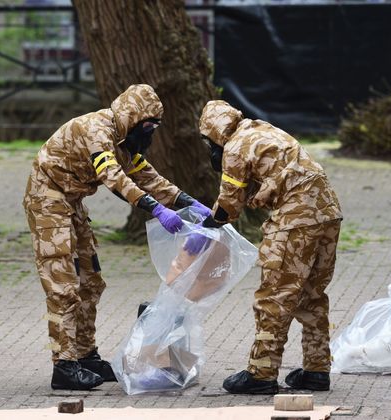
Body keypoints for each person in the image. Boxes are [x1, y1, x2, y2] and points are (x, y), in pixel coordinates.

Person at [22, 84, 211, 390]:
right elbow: (113, 176)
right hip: (48, 197)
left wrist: (188, 203)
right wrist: (156, 210)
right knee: (64, 284)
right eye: (147, 127)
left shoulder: (125, 141)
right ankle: (64, 365)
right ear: (131, 118)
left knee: (92, 281)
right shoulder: (98, 130)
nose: (149, 134)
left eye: (153, 128)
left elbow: (147, 177)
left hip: (71, 201)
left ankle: (85, 354)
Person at [190, 100, 343, 394]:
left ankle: (261, 374)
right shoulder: (262, 129)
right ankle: (317, 370)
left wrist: (208, 225)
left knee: (275, 296)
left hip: (295, 220)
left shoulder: (234, 147)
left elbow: (230, 204)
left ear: (213, 134)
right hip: (328, 213)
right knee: (312, 294)